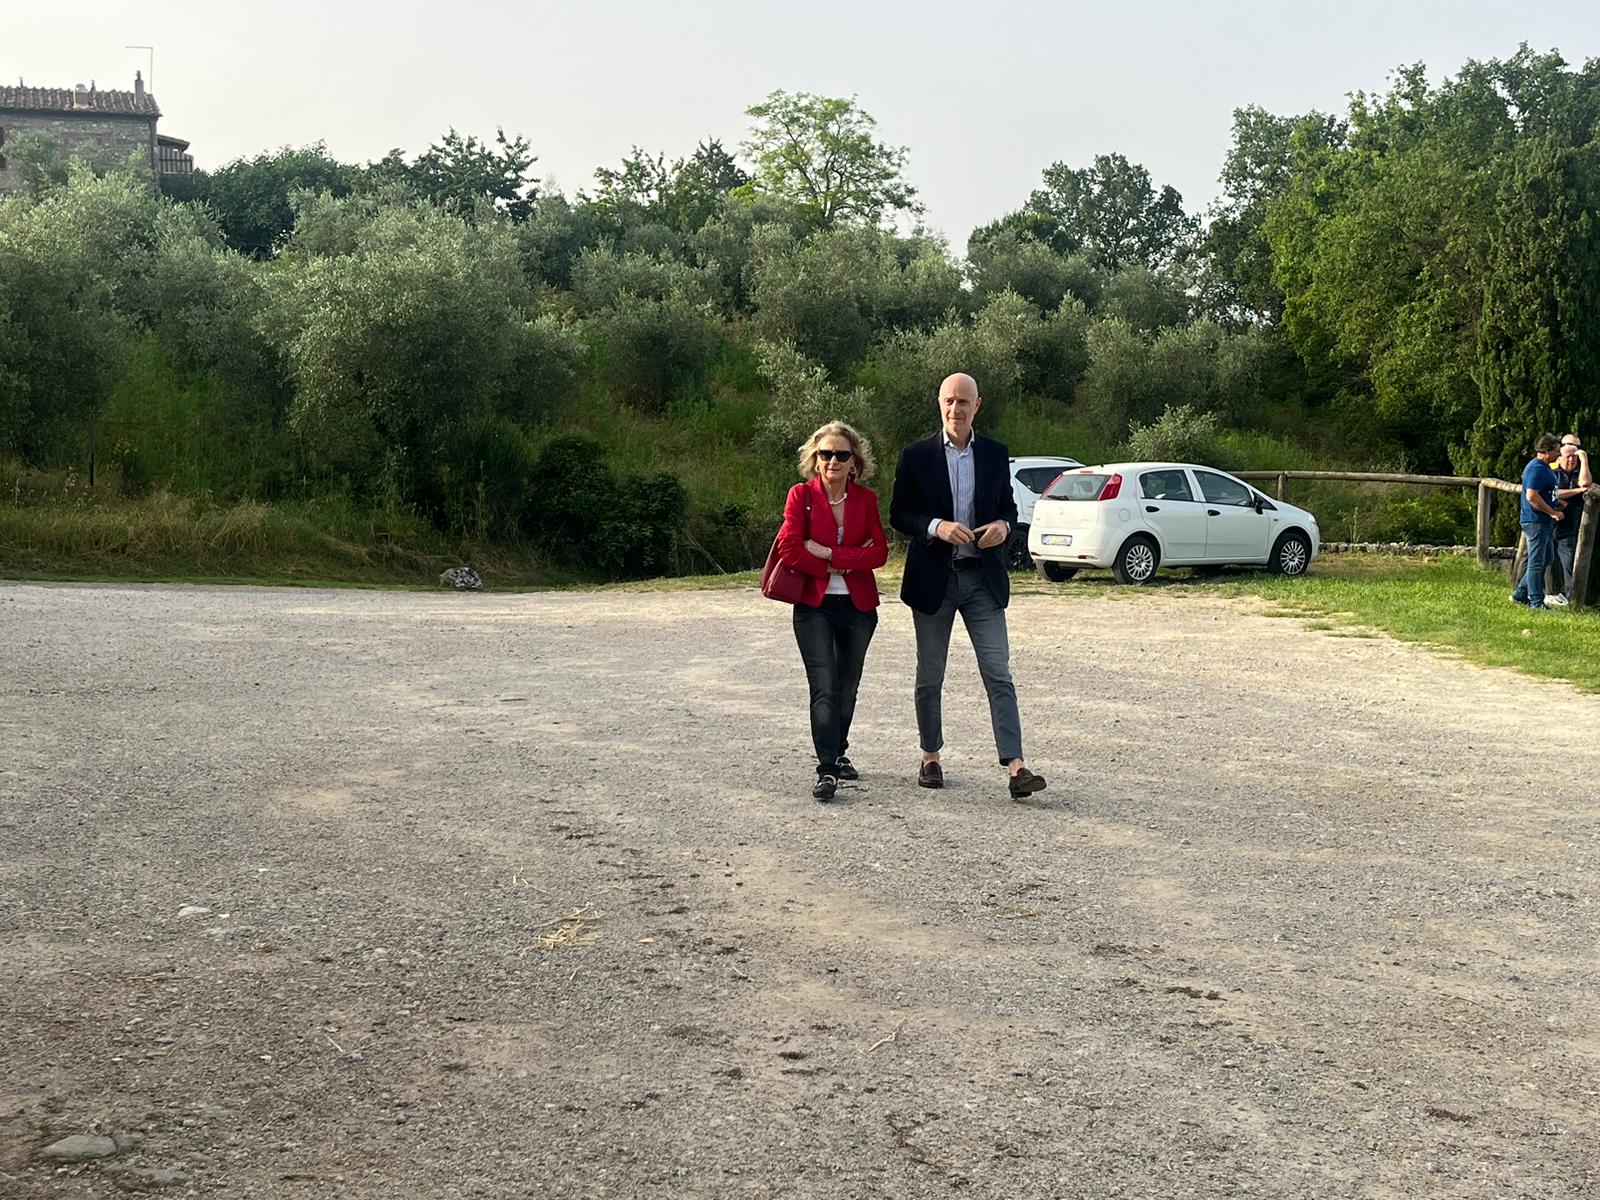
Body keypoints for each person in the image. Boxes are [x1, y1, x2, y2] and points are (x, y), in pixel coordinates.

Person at [890, 372, 1048, 801]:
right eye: (949, 401)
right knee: (930, 675)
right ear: (939, 403)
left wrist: (1003, 527)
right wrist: (936, 527)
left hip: (982, 579)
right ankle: (930, 756)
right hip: (934, 581)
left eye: (963, 401)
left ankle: (1016, 766)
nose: (955, 409)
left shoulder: (995, 454)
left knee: (999, 673)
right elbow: (899, 514)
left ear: (977, 405)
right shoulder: (915, 455)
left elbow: (1008, 509)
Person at [777, 422, 889, 802]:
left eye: (842, 454)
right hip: (814, 607)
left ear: (854, 462)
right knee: (824, 686)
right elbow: (790, 550)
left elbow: (879, 553)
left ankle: (839, 750)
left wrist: (828, 554)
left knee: (848, 686)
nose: (833, 461)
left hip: (858, 607)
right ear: (815, 459)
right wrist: (844, 563)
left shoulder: (866, 500)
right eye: (825, 454)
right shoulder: (800, 496)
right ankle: (827, 769)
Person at [1511, 434, 1567, 612]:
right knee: (1536, 562)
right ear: (1545, 451)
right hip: (1536, 521)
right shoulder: (1536, 468)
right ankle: (1536, 601)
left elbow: (1542, 493)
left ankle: (1520, 593)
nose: (1559, 455)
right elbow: (1532, 496)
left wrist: (1556, 502)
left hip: (1543, 522)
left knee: (1547, 558)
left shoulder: (1545, 467)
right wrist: (1553, 512)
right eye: (1556, 451)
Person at [1549, 433, 1592, 605]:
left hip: (1568, 527)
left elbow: (1586, 484)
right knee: (1548, 561)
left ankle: (1571, 599)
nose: (1572, 460)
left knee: (1569, 563)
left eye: (1575, 457)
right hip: (1550, 523)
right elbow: (1553, 493)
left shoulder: (1578, 472)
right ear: (1561, 456)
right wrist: (1576, 492)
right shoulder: (1552, 470)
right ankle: (1550, 593)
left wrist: (1584, 460)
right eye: (1569, 456)